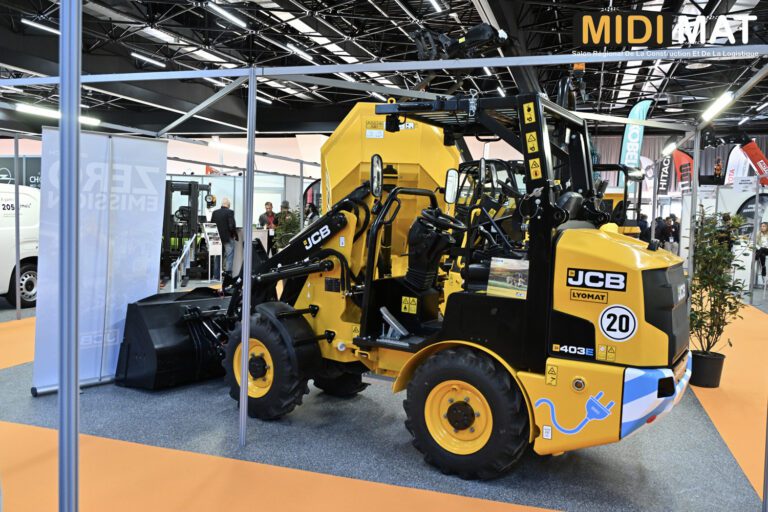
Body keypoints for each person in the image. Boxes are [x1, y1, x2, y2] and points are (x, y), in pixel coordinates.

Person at [210, 197, 238, 277]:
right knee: (229, 256)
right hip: (227, 238)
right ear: (228, 205)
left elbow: (212, 225)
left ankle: (216, 276)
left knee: (218, 256)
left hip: (217, 238)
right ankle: (228, 276)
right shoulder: (230, 212)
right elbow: (231, 226)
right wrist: (234, 235)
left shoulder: (215, 212)